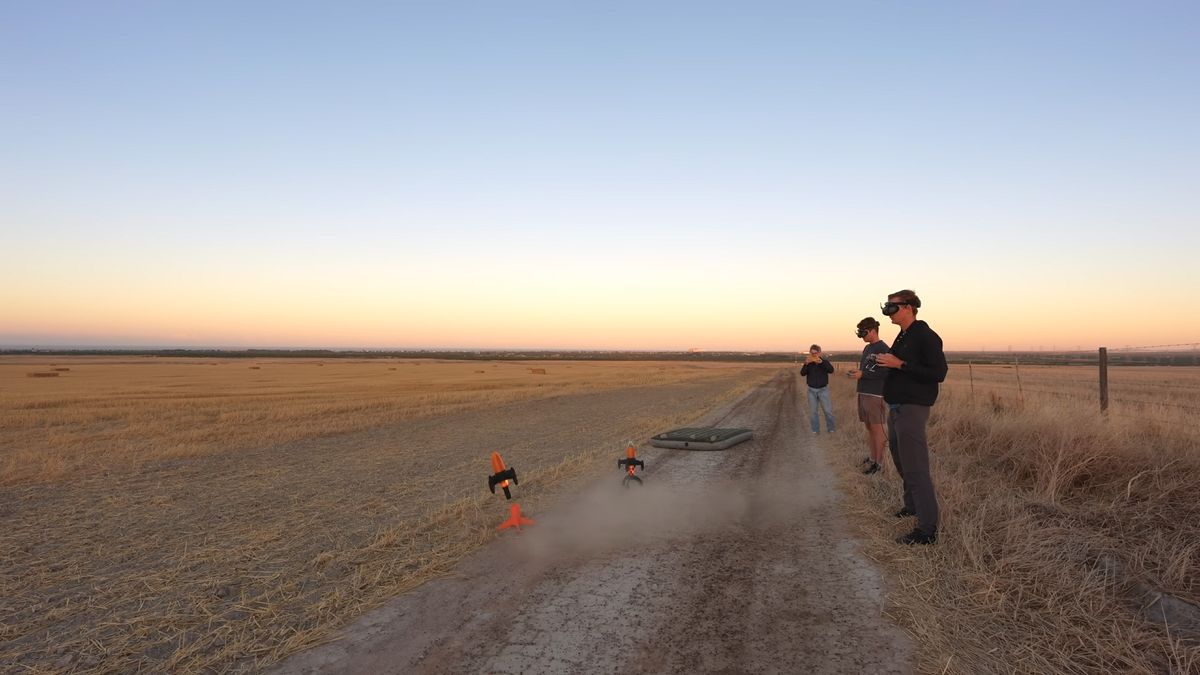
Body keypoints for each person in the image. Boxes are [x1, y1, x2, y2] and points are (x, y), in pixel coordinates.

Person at [875, 290, 947, 545]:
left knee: (916, 467)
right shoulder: (903, 336)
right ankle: (912, 505)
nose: (888, 311)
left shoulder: (926, 336)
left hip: (912, 408)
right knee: (901, 459)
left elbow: (938, 372)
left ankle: (927, 530)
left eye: (892, 306)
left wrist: (900, 365)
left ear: (908, 307)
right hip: (897, 407)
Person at [847, 317, 889, 475]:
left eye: (863, 332)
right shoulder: (867, 348)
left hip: (875, 394)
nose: (861, 336)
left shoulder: (883, 348)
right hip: (863, 392)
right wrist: (859, 373)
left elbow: (886, 373)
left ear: (873, 330)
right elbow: (869, 370)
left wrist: (863, 374)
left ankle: (879, 464)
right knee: (869, 427)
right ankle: (872, 458)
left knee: (878, 429)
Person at [800, 344, 836, 434]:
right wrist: (806, 364)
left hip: (823, 390)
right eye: (812, 353)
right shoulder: (809, 363)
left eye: (815, 353)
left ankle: (831, 429)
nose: (814, 355)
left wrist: (821, 363)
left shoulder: (825, 362)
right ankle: (815, 430)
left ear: (819, 353)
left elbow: (831, 370)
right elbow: (802, 373)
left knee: (828, 411)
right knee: (813, 412)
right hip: (811, 390)